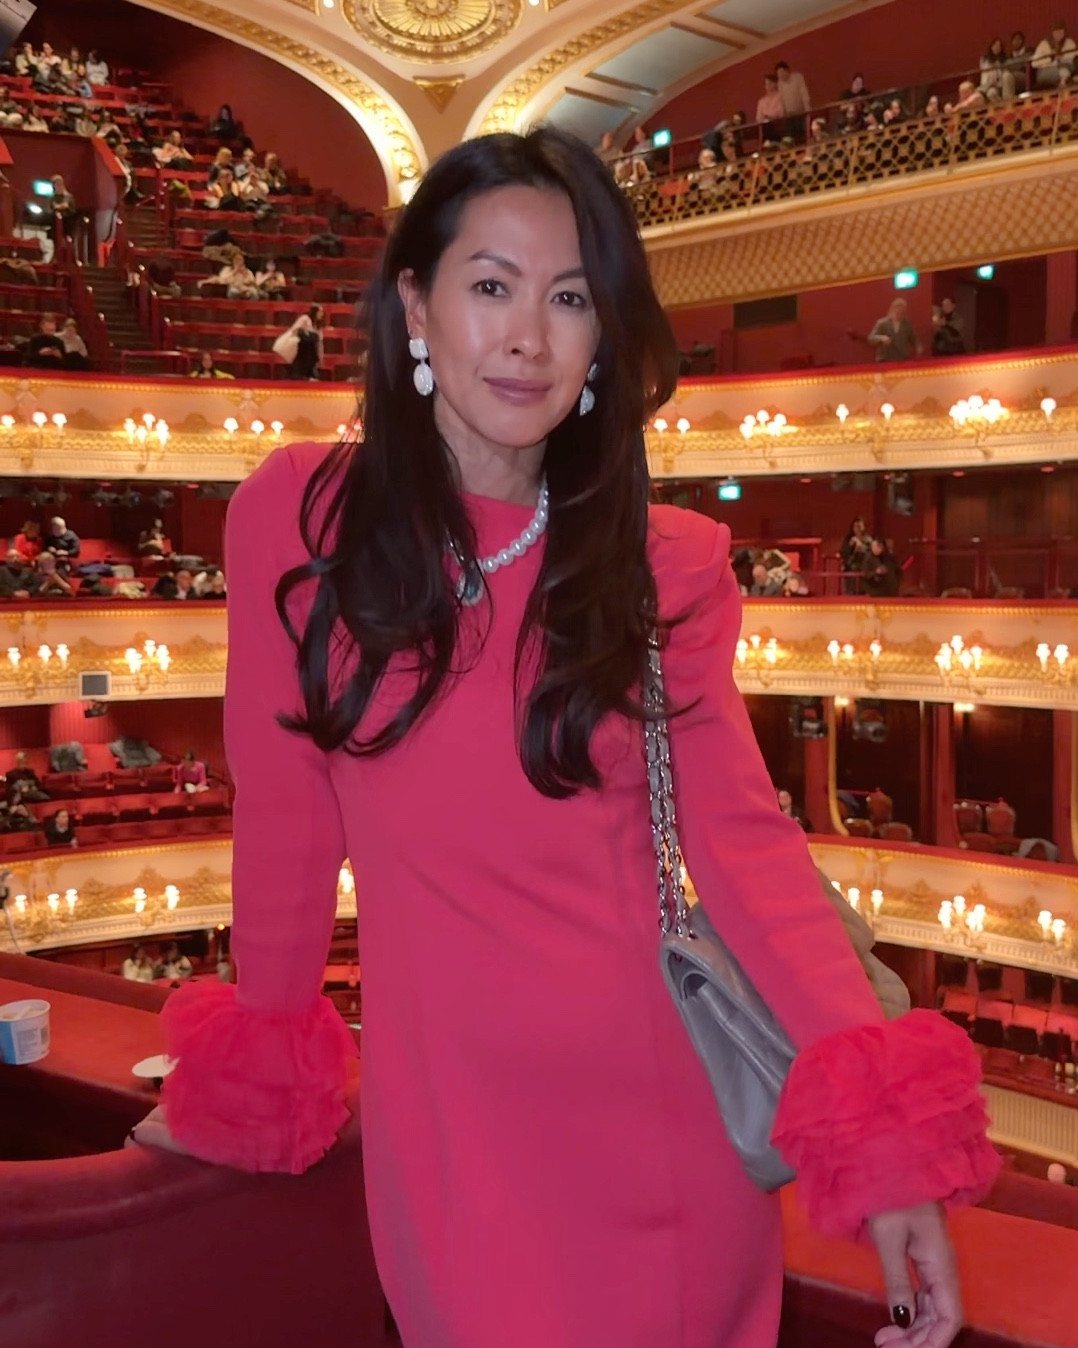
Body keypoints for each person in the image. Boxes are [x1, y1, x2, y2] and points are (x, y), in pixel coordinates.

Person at [139, 127, 996, 1348]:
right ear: (414, 309)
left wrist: (889, 1150)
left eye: (570, 298)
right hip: (448, 1150)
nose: (528, 336)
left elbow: (747, 849)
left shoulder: (664, 565)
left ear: (603, 341)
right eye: (489, 285)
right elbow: (284, 821)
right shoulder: (295, 519)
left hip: (662, 1147)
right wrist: (249, 1081)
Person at [867, 297, 922, 362]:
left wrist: (918, 347)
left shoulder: (907, 324)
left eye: (902, 311)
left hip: (902, 359)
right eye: (897, 310)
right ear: (892, 309)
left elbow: (914, 338)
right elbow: (871, 338)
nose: (899, 312)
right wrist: (881, 338)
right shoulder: (882, 323)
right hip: (885, 359)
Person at [1032, 20, 1076, 88]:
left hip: (1065, 68)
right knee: (1061, 70)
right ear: (1052, 32)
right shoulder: (1044, 44)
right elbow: (1034, 63)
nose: (1059, 34)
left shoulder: (1069, 42)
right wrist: (1051, 59)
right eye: (1056, 31)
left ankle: (1063, 83)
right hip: (1046, 71)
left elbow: (1073, 57)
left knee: (1066, 68)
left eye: (1061, 31)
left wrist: (1061, 58)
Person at [288, 303, 325, 380]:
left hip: (312, 357)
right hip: (302, 355)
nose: (322, 314)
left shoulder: (318, 326)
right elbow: (294, 330)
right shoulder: (305, 319)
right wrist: (306, 333)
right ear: (315, 312)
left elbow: (319, 343)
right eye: (320, 312)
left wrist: (320, 358)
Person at [840, 516, 873, 591]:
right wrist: (851, 546)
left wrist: (861, 546)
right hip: (851, 567)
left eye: (859, 526)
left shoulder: (868, 539)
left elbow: (872, 552)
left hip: (864, 568)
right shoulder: (849, 539)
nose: (857, 529)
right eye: (855, 526)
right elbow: (844, 552)